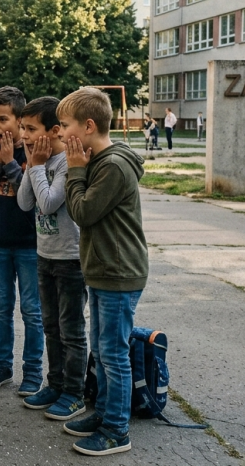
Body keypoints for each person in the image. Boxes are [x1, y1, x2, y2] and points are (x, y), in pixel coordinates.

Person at [57, 87, 148, 456]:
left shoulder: (112, 165)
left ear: (89, 125)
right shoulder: (101, 159)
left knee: (113, 353)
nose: (61, 134)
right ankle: (106, 413)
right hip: (102, 269)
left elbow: (82, 212)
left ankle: (116, 430)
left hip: (118, 271)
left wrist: (74, 170)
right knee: (103, 348)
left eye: (65, 126)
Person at [15, 97, 87, 421]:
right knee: (51, 327)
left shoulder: (67, 164)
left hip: (70, 260)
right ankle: (55, 383)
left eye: (30, 129)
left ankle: (75, 393)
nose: (24, 136)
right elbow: (24, 203)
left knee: (71, 329)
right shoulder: (39, 162)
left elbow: (46, 203)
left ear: (53, 130)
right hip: (44, 255)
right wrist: (32, 165)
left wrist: (38, 166)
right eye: (22, 128)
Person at [0, 87, 43, 397]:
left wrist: (11, 163)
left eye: (3, 119)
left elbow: (33, 200)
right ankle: (3, 366)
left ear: (19, 119)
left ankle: (33, 371)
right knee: (1, 307)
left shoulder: (32, 150)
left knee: (32, 310)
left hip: (30, 244)